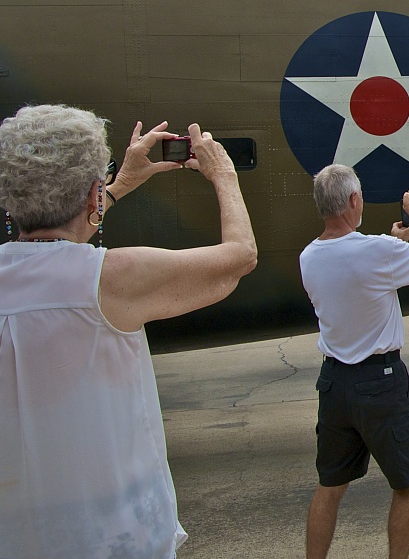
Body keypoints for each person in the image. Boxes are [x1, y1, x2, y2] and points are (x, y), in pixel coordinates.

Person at [0, 107, 257, 558]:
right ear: (92, 195)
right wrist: (224, 175)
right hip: (116, 541)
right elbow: (239, 257)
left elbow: (50, 251)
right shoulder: (112, 279)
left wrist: (114, 190)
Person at [301, 164, 409, 559]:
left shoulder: (308, 257)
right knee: (407, 484)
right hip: (380, 381)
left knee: (329, 486)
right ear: (354, 201)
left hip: (333, 383)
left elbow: (356, 268)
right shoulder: (379, 252)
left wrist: (390, 242)